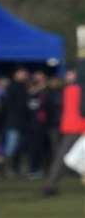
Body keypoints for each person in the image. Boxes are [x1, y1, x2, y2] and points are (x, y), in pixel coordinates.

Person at [43, 64, 85, 195]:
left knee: (61, 157)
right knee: (63, 158)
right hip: (79, 127)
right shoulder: (80, 90)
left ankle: (50, 184)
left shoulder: (68, 89)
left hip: (68, 127)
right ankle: (49, 185)